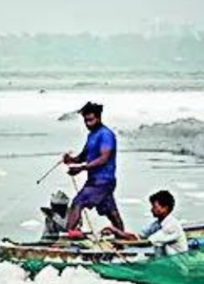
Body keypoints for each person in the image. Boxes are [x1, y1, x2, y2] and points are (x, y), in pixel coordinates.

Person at [64, 102, 125, 236]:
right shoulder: (91, 135)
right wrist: (72, 160)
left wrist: (81, 168)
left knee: (78, 202)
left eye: (91, 120)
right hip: (96, 180)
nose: (88, 124)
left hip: (103, 181)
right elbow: (84, 156)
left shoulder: (106, 135)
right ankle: (123, 239)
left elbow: (104, 158)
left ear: (98, 118)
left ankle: (67, 236)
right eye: (86, 121)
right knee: (111, 212)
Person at [103, 190, 189, 257]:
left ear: (165, 208)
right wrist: (115, 231)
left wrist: (120, 243)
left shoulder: (171, 226)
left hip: (177, 265)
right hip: (165, 262)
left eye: (155, 207)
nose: (152, 209)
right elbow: (138, 237)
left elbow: (147, 243)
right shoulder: (157, 224)